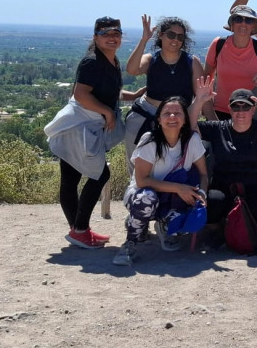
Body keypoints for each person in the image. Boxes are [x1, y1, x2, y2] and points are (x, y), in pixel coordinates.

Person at [45, 17, 141, 249]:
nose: (112, 37)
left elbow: (106, 92)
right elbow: (81, 94)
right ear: (95, 37)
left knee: (72, 179)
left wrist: (134, 95)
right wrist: (107, 112)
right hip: (79, 127)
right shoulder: (92, 62)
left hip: (83, 127)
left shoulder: (111, 60)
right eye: (106, 33)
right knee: (99, 175)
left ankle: (79, 231)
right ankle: (79, 230)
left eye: (116, 33)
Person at [189, 77, 257, 245]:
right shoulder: (219, 129)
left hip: (256, 186)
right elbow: (189, 127)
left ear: (253, 110)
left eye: (245, 106)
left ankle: (249, 227)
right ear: (229, 110)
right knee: (211, 203)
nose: (240, 111)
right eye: (235, 107)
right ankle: (218, 230)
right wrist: (198, 102)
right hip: (224, 187)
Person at [113, 96, 209, 265]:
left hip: (172, 195)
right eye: (167, 113)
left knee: (192, 197)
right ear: (159, 118)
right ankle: (131, 241)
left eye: (178, 113)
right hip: (142, 193)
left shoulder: (191, 140)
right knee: (146, 199)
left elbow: (203, 174)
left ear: (185, 118)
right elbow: (142, 181)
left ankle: (164, 225)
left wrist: (201, 194)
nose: (172, 117)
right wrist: (179, 188)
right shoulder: (150, 141)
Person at [123, 15, 203, 174]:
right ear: (161, 35)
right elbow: (132, 69)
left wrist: (213, 123)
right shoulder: (151, 59)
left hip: (177, 119)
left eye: (180, 37)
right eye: (171, 35)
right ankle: (138, 197)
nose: (175, 40)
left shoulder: (191, 62)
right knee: (138, 169)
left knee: (171, 168)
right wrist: (144, 40)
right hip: (145, 116)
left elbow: (203, 97)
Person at [203, 6, 257, 120]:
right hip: (222, 111)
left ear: (253, 26)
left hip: (253, 112)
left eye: (249, 20)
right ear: (231, 24)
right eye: (238, 19)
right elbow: (206, 79)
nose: (243, 23)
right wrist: (206, 107)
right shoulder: (218, 44)